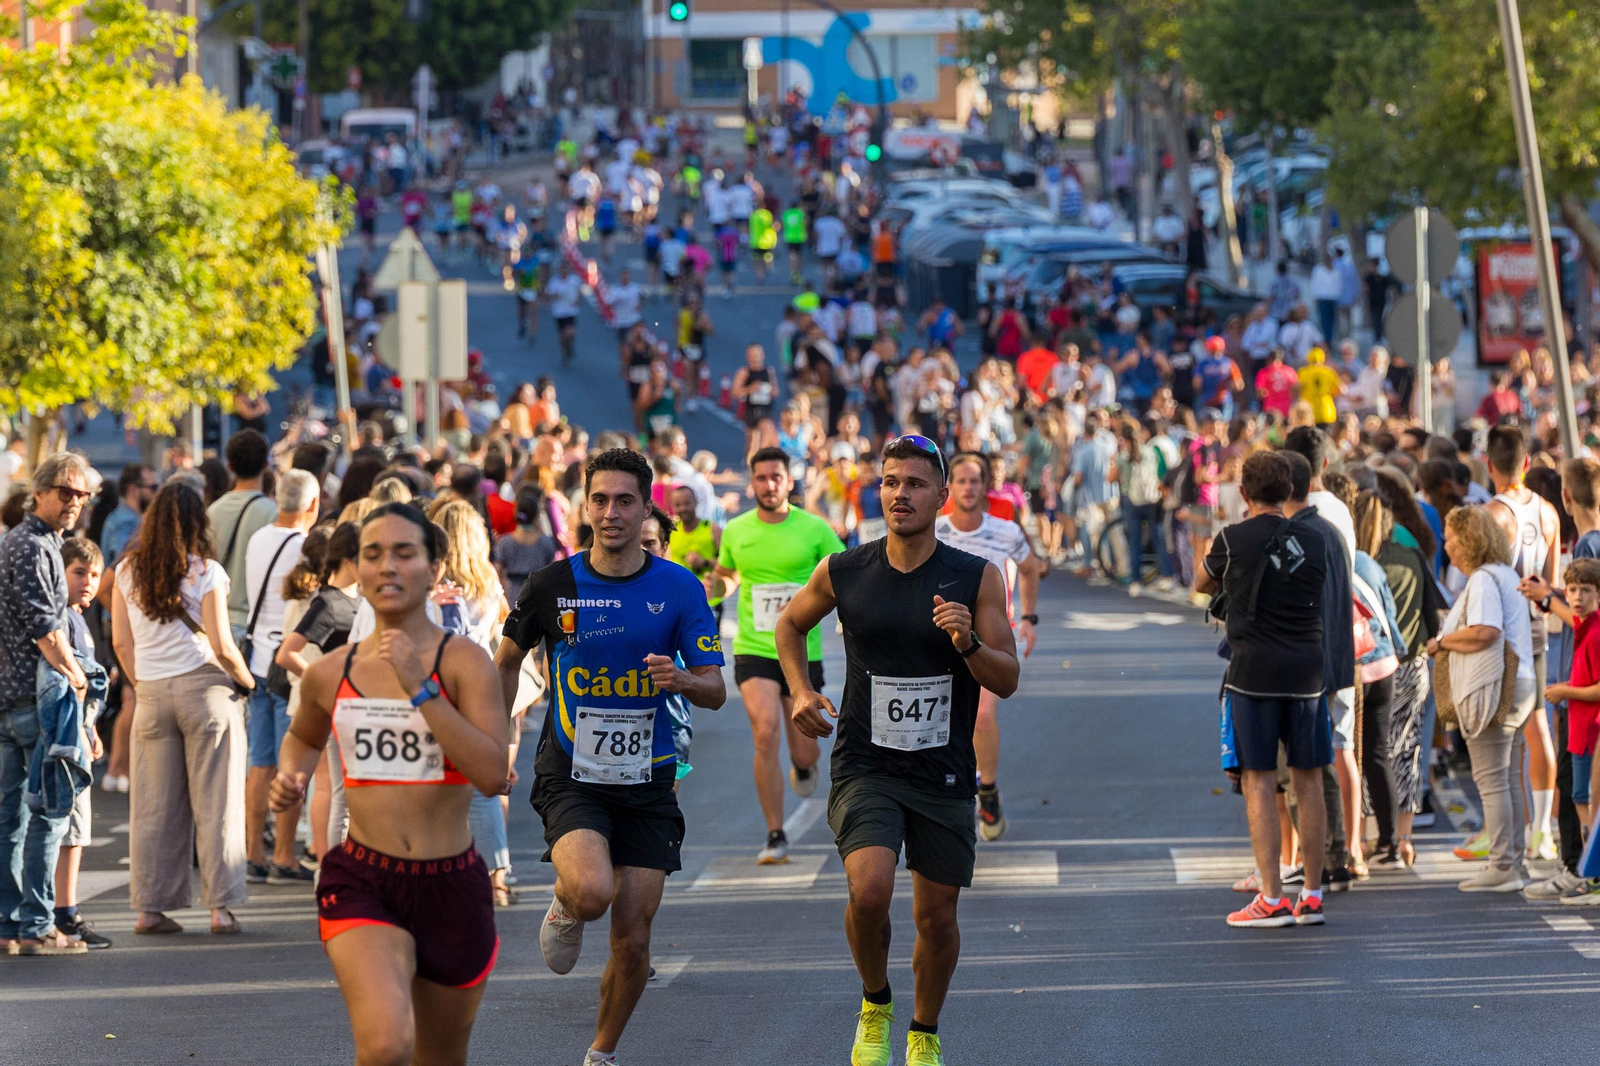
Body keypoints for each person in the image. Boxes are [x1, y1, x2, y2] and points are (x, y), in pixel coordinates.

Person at [775, 433, 1019, 1066]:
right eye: (890, 482)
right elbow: (789, 624)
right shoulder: (845, 570)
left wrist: (967, 642)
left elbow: (1008, 677)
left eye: (914, 483)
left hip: (941, 769)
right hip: (866, 763)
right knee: (870, 891)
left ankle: (924, 1031)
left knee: (936, 918)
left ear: (942, 495)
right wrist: (801, 690)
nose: (900, 494)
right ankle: (876, 1001)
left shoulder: (975, 577)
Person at [492, 448, 726, 1066]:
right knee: (594, 892)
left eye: (625, 500)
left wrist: (680, 679)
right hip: (573, 775)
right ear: (584, 506)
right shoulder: (553, 584)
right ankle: (568, 898)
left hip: (649, 780)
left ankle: (601, 1053)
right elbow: (505, 661)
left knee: (633, 939)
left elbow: (716, 689)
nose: (611, 512)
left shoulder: (677, 588)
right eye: (599, 499)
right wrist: (495, 732)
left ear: (646, 507)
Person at [270, 503, 510, 1066]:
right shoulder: (332, 671)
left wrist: (421, 690)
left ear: (434, 566)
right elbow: (303, 739)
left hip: (451, 884)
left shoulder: (466, 664)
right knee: (384, 1046)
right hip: (365, 879)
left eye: (404, 552)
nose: (387, 567)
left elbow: (493, 772)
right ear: (357, 567)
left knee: (438, 1057)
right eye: (373, 554)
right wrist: (291, 776)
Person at [1194, 451, 1333, 928]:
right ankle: (1312, 893)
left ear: (1245, 493)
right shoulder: (1317, 540)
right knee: (1308, 778)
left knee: (1259, 779)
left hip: (1253, 672)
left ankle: (1271, 896)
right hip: (1308, 669)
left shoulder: (1232, 539)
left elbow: (1199, 582)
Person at [111, 479, 255, 936]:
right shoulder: (207, 571)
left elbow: (120, 642)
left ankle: (150, 909)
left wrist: (144, 683)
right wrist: (248, 682)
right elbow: (222, 645)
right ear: (199, 522)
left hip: (151, 693)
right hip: (206, 690)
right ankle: (220, 908)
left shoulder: (126, 571)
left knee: (154, 807)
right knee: (218, 803)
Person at [709, 447, 845, 862]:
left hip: (802, 652)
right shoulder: (736, 530)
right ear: (752, 483)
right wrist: (707, 592)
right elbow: (728, 574)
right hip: (754, 648)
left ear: (789, 481)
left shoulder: (814, 529)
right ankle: (774, 833)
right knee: (765, 730)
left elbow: (844, 574)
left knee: (804, 748)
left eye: (776, 477)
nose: (769, 485)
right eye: (762, 478)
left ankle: (803, 767)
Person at [0, 451, 93, 954]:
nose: (74, 501)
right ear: (39, 493)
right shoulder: (32, 544)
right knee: (50, 812)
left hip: (13, 695)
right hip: (35, 699)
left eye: (81, 494)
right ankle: (34, 924)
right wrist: (77, 675)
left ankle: (11, 924)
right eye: (66, 492)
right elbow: (44, 627)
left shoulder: (29, 542)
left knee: (11, 815)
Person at [1427, 505, 1537, 892]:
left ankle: (1502, 865)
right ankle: (1512, 863)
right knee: (1507, 779)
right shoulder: (1505, 574)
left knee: (1492, 780)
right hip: (1520, 682)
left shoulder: (1484, 580)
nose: (1446, 544)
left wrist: (1440, 643)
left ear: (1468, 541)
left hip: (1496, 687)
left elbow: (1485, 632)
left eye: (1451, 537)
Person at [933, 454, 1039, 842]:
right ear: (949, 488)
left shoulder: (1005, 531)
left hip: (991, 638)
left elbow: (1030, 568)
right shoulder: (934, 531)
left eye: (975, 480)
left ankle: (987, 789)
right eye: (960, 480)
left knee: (980, 716)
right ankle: (946, 793)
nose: (968, 487)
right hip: (940, 636)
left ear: (985, 486)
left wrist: (1029, 618)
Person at [1481, 424, 1560, 862]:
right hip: (1536, 629)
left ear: (1488, 465)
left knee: (1499, 736)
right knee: (1537, 727)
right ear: (1527, 464)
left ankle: (1504, 835)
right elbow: (1551, 583)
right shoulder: (1548, 512)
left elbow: (1483, 581)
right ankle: (1542, 830)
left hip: (1503, 634)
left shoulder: (1491, 514)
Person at [242, 470, 320, 885]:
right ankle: (285, 856)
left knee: (261, 762)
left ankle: (254, 850)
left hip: (257, 662)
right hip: (288, 665)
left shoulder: (258, 539)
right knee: (291, 764)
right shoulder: (304, 545)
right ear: (312, 504)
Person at [52, 538, 111, 948]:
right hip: (64, 737)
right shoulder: (64, 619)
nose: (88, 582)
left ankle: (60, 910)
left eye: (94, 575)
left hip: (77, 732)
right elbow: (75, 683)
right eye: (79, 573)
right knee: (71, 829)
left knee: (71, 830)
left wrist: (92, 728)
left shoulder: (76, 617)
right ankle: (65, 913)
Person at [207, 430, 279, 639]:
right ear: (266, 465)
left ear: (229, 467)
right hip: (258, 623)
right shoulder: (272, 513)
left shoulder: (212, 512)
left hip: (218, 620)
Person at [667, 484, 722, 624]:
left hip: (708, 601)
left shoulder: (712, 529)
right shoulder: (671, 531)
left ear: (696, 502)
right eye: (678, 505)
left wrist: (704, 562)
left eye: (687, 503)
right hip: (679, 601)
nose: (683, 508)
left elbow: (727, 565)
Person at [99, 463, 157, 568]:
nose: (156, 493)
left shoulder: (127, 517)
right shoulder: (125, 521)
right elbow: (125, 562)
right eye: (153, 487)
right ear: (132, 490)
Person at [545, 260, 585, 366]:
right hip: (558, 311)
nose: (564, 271)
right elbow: (548, 294)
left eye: (565, 268)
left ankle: (570, 346)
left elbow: (581, 292)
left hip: (571, 310)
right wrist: (554, 296)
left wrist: (578, 300)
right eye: (562, 269)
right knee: (562, 335)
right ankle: (565, 352)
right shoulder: (554, 281)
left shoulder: (574, 280)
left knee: (571, 332)